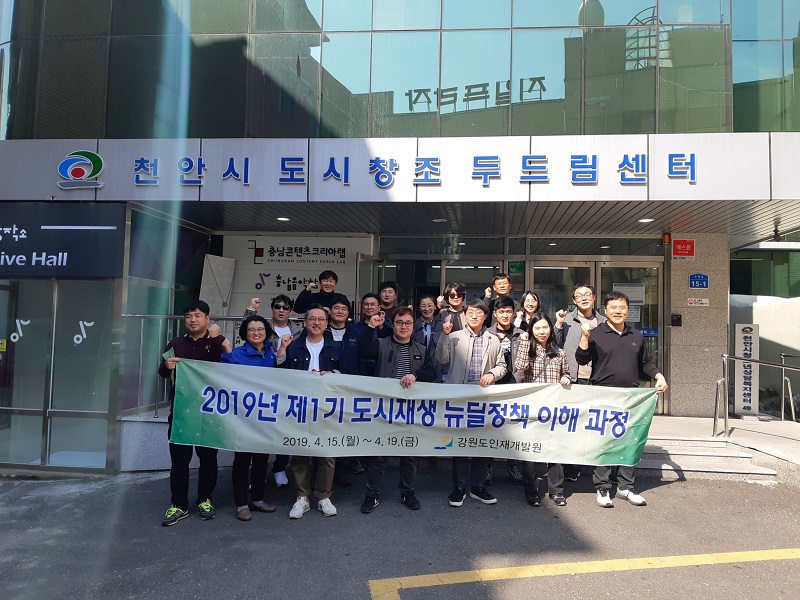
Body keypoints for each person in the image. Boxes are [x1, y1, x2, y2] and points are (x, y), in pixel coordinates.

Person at [576, 291, 668, 508]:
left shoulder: (636, 336)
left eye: (622, 307)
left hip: (631, 398)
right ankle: (602, 487)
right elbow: (582, 359)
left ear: (628, 310)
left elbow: (645, 363)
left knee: (629, 442)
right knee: (603, 442)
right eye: (613, 307)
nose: (618, 311)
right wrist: (584, 337)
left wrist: (659, 375)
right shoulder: (596, 333)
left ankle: (626, 487)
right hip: (603, 396)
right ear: (605, 310)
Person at [158, 300, 232, 527]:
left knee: (208, 459)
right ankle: (179, 504)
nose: (192, 319)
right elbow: (162, 372)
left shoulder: (218, 342)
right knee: (179, 461)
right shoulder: (175, 343)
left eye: (198, 315)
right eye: (189, 315)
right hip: (181, 412)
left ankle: (204, 500)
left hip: (210, 413)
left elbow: (229, 368)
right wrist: (166, 366)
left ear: (207, 318)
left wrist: (216, 341)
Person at [357, 307, 436, 513]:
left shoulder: (421, 348)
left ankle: (408, 492)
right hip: (384, 408)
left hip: (410, 411)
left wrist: (416, 376)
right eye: (399, 322)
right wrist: (370, 327)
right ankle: (372, 494)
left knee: (409, 455)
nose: (403, 327)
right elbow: (363, 350)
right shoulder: (381, 344)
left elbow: (432, 372)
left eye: (408, 323)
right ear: (393, 324)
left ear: (413, 326)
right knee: (379, 454)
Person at [436, 298, 507, 507]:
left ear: (486, 316)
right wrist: (444, 335)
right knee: (459, 444)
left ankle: (478, 487)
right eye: (470, 312)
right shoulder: (454, 337)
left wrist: (493, 374)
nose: (474, 316)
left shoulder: (493, 340)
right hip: (459, 399)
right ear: (465, 315)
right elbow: (441, 359)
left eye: (479, 312)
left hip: (482, 400)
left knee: (480, 444)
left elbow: (502, 366)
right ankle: (458, 488)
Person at [221, 315, 289, 521]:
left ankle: (257, 499)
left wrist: (282, 350)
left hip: (265, 416)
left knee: (261, 460)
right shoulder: (236, 354)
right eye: (251, 329)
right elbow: (223, 377)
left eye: (260, 329)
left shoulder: (271, 352)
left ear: (266, 332)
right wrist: (225, 351)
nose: (256, 333)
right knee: (242, 462)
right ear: (245, 333)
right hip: (243, 417)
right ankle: (242, 504)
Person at [280, 305, 345, 518]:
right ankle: (302, 497)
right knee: (300, 452)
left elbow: (348, 372)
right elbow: (280, 374)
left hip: (327, 406)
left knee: (327, 453)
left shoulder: (337, 347)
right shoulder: (293, 346)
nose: (316, 323)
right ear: (305, 322)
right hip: (300, 405)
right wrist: (281, 350)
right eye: (312, 319)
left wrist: (333, 374)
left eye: (321, 319)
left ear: (326, 323)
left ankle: (324, 496)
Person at [513, 312, 571, 507]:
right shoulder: (527, 350)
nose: (541, 331)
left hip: (553, 409)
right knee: (529, 452)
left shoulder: (560, 352)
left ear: (551, 329)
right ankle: (531, 491)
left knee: (554, 450)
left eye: (545, 327)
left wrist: (566, 378)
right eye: (537, 328)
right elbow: (520, 366)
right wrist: (524, 342)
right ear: (531, 330)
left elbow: (567, 373)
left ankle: (557, 491)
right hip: (532, 408)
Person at [244, 295, 301, 487]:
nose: (281, 310)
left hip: (288, 384)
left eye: (285, 307)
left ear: (290, 311)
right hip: (263, 385)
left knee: (284, 428)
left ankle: (279, 468)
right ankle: (256, 472)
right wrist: (251, 309)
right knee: (260, 429)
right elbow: (246, 329)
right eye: (277, 306)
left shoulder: (298, 330)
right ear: (272, 309)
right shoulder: (264, 327)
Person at [554, 284, 606, 482]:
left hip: (597, 378)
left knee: (595, 423)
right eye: (579, 295)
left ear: (593, 297)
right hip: (573, 378)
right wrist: (558, 324)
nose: (584, 298)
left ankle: (597, 465)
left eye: (587, 294)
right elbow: (555, 343)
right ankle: (572, 467)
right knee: (573, 424)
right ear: (574, 300)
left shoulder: (603, 322)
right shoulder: (567, 319)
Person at [485, 295, 525, 486]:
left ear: (513, 313)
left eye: (509, 311)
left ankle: (512, 465)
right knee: (490, 428)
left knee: (513, 429)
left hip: (514, 386)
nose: (505, 315)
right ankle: (487, 467)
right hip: (492, 387)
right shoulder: (487, 334)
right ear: (495, 314)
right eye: (501, 312)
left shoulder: (521, 334)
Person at [412, 293, 443, 382]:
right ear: (419, 308)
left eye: (430, 306)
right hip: (416, 370)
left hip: (436, 370)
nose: (426, 309)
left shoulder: (441, 326)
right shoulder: (413, 325)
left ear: (435, 307)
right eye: (423, 306)